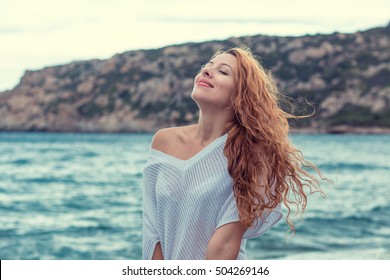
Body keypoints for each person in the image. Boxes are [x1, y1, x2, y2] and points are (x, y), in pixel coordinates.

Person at [142, 46, 326, 260]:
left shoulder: (255, 155)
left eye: (223, 71)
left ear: (240, 94)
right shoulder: (164, 141)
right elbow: (152, 229)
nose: (206, 72)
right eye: (207, 67)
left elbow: (225, 244)